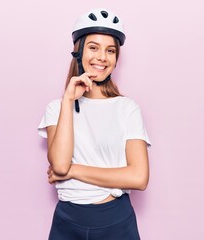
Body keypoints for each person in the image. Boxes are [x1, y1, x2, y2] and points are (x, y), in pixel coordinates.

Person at [38, 8, 151, 240]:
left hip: (116, 220)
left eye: (110, 51)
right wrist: (69, 99)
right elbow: (59, 166)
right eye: (93, 47)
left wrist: (73, 170)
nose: (102, 57)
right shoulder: (56, 108)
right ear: (78, 53)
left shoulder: (127, 108)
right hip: (68, 220)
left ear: (116, 59)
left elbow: (138, 177)